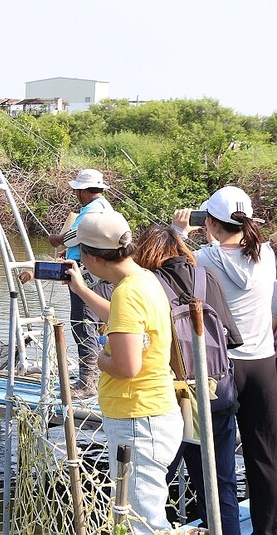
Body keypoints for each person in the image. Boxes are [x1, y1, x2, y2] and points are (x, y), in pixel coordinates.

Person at [65, 211, 183, 535]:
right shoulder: (142, 279)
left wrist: (101, 356)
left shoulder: (127, 293)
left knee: (143, 523)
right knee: (140, 515)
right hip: (150, 415)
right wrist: (81, 290)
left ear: (90, 256)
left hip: (138, 421)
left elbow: (126, 367)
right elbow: (123, 319)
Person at [174, 185, 277, 535]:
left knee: (216, 464)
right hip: (264, 365)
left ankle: (225, 530)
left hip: (220, 369)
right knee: (265, 459)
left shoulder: (203, 259)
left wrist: (178, 233)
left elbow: (163, 268)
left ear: (211, 223)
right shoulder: (266, 255)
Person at [133, 225, 243, 535]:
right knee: (221, 488)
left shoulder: (146, 285)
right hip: (215, 393)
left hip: (168, 399)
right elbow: (232, 339)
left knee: (150, 488)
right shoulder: (205, 277)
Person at [19, 168, 115, 398]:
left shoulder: (92, 211)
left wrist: (57, 239)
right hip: (99, 273)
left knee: (83, 325)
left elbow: (76, 236)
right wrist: (67, 250)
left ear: (82, 191)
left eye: (76, 191)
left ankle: (87, 383)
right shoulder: (106, 208)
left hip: (89, 277)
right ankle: (95, 375)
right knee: (94, 324)